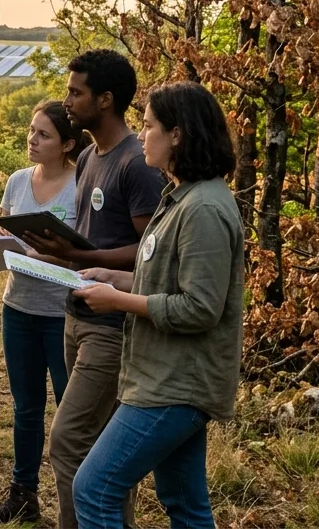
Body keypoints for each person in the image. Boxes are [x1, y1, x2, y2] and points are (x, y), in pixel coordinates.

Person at [70, 81, 244, 529]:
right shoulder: (181, 197)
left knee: (94, 488)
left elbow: (200, 307)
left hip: (175, 385)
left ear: (177, 135)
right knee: (184, 502)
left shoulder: (203, 208)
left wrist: (119, 301)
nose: (141, 135)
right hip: (165, 377)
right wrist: (115, 279)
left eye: (149, 126)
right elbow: (169, 283)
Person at [25, 49, 166, 529]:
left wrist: (79, 255)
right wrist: (53, 251)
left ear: (105, 100)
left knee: (68, 442)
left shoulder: (136, 163)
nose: (66, 101)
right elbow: (90, 242)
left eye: (75, 92)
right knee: (100, 448)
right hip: (76, 315)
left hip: (113, 324)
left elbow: (151, 251)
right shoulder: (87, 156)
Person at [0, 101, 91, 524]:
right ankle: (23, 494)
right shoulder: (17, 181)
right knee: (26, 407)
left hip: (63, 313)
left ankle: (77, 503)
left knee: (70, 411)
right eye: (31, 130)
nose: (32, 139)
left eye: (44, 134)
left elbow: (87, 252)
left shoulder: (82, 184)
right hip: (18, 307)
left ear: (67, 145)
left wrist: (41, 254)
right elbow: (7, 233)